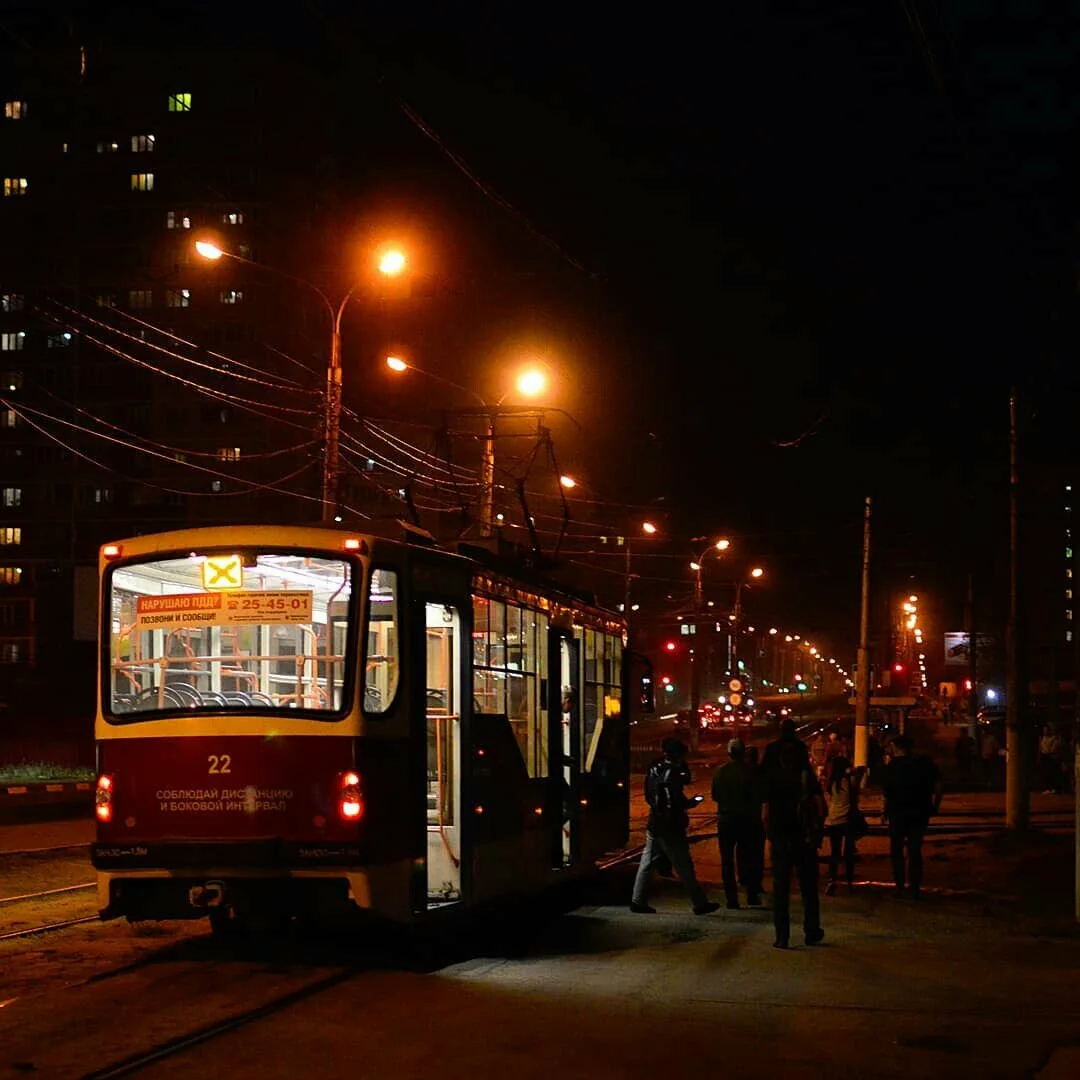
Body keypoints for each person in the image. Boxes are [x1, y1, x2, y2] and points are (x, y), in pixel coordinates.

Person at [631, 738, 720, 915]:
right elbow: (674, 800)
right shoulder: (671, 774)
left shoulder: (655, 767)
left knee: (647, 861)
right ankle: (699, 903)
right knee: (683, 864)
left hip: (655, 821)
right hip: (669, 826)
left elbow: (652, 795)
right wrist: (691, 803)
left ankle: (637, 900)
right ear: (678, 755)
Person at [761, 718, 825, 949]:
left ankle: (782, 936)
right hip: (802, 830)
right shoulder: (802, 762)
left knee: (781, 885)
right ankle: (812, 930)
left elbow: (764, 797)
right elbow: (818, 800)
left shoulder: (770, 757)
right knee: (808, 884)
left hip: (779, 829)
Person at [882, 734, 942, 899]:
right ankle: (914, 887)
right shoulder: (924, 764)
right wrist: (935, 806)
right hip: (920, 812)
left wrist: (884, 811)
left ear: (895, 747)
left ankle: (899, 886)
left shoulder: (892, 766)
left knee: (896, 850)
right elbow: (938, 787)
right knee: (915, 850)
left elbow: (886, 792)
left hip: (897, 812)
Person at [711, 737, 761, 908]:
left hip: (726, 821)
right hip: (747, 820)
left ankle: (731, 899)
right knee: (749, 857)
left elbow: (715, 796)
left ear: (729, 753)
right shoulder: (750, 772)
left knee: (727, 860)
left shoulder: (720, 772)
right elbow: (758, 796)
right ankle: (752, 895)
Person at [823, 756, 861, 894]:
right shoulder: (846, 781)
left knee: (835, 851)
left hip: (833, 819)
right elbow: (854, 798)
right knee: (848, 851)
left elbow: (828, 802)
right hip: (847, 819)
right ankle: (849, 881)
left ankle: (832, 880)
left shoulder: (829, 783)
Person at [744, 744, 766, 904]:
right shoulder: (761, 772)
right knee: (756, 854)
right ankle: (755, 885)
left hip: (743, 817)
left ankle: (747, 882)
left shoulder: (741, 772)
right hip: (756, 818)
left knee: (745, 853)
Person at [1038, 725, 1063, 794]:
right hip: (1044, 756)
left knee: (1051, 773)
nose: (1045, 731)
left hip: (1050, 756)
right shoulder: (1042, 738)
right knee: (1045, 773)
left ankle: (1053, 788)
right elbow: (1040, 748)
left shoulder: (1052, 738)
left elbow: (1052, 748)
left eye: (1046, 730)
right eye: (1044, 730)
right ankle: (1047, 788)